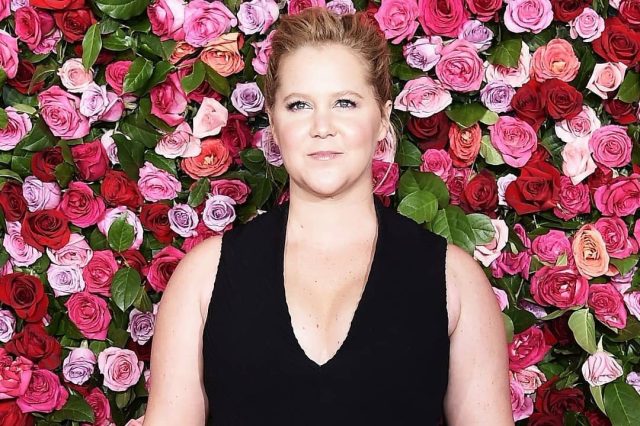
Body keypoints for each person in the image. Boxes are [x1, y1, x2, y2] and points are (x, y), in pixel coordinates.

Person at [144, 7, 513, 426]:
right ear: (273, 122)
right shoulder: (202, 277)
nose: (322, 126)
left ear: (382, 119)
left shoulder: (456, 281)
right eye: (299, 104)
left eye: (345, 102)